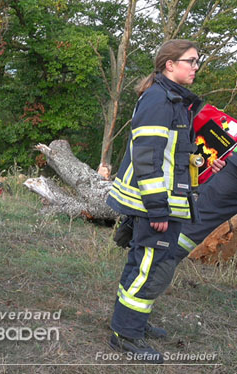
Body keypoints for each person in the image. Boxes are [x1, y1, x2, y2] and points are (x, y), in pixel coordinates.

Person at [105, 40, 205, 364]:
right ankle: (126, 335)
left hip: (164, 200)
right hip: (154, 203)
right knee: (148, 266)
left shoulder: (174, 100)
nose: (195, 67)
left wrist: (201, 162)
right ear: (169, 65)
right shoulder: (159, 100)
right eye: (190, 61)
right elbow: (147, 157)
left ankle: (134, 322)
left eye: (197, 62)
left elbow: (172, 154)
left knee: (147, 264)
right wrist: (158, 207)